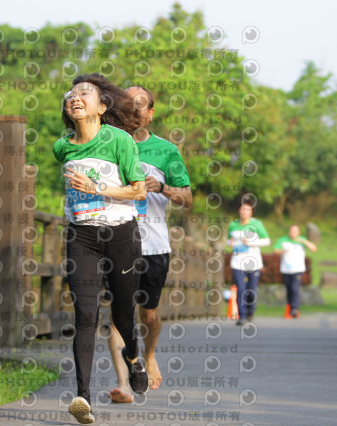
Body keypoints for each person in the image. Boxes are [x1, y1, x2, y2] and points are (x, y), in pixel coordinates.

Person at [53, 73, 148, 424]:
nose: (75, 97)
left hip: (122, 235)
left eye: (84, 93)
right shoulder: (61, 147)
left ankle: (134, 359)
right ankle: (83, 397)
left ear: (102, 105)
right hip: (82, 237)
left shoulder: (120, 140)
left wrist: (96, 189)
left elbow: (138, 191)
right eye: (70, 94)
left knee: (123, 314)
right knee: (86, 314)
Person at [106, 86, 192, 403]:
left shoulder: (165, 150)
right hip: (116, 240)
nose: (134, 110)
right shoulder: (107, 144)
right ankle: (124, 384)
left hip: (154, 245)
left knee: (149, 316)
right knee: (118, 314)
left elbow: (188, 198)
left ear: (150, 113)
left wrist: (164, 187)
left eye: (140, 105)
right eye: (127, 104)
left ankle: (150, 353)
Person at [227, 201, 270, 325]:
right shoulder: (233, 225)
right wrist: (229, 243)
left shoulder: (257, 224)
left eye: (246, 209)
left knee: (251, 290)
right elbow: (228, 240)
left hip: (253, 262)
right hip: (237, 262)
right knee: (240, 289)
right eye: (242, 209)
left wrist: (251, 243)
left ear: (251, 212)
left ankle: (251, 310)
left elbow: (267, 241)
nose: (243, 211)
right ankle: (242, 316)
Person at [273, 225, 318, 318]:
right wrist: (282, 251)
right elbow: (275, 250)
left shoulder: (302, 240)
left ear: (298, 232)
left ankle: (295, 308)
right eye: (291, 230)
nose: (292, 232)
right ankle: (290, 307)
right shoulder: (283, 240)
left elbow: (314, 249)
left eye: (295, 231)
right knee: (289, 289)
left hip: (297, 269)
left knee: (295, 288)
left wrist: (305, 241)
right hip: (285, 269)